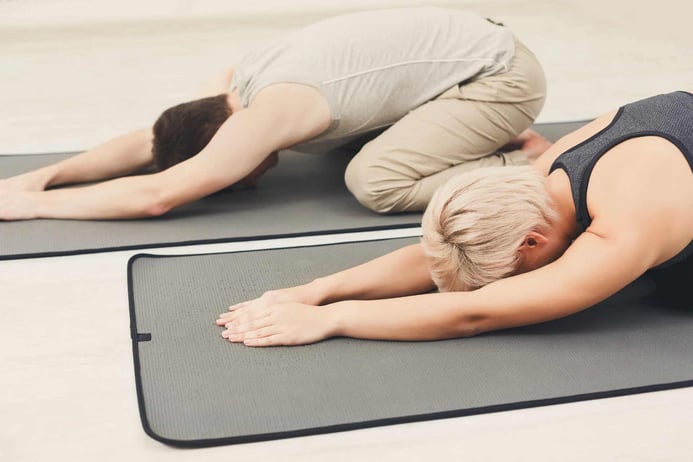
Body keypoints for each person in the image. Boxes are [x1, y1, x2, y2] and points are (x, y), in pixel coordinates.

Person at [215, 91, 693, 347]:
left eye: (510, 270)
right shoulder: (545, 175)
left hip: (666, 197)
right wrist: (313, 291)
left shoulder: (624, 227)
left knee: (672, 294)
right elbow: (443, 253)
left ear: (531, 241)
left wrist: (333, 319)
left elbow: (474, 312)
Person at [0, 7, 547, 220]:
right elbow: (152, 140)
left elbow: (159, 193)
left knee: (374, 180)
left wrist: (32, 207)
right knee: (347, 143)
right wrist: (43, 175)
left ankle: (532, 163)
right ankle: (477, 129)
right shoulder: (230, 87)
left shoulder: (266, 117)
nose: (252, 178)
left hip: (501, 76)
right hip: (470, 49)